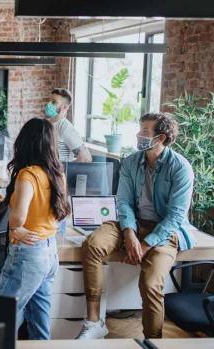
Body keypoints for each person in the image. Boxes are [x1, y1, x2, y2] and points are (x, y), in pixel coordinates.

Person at [76, 113, 195, 339]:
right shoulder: (131, 161)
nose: (138, 135)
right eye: (139, 130)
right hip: (132, 223)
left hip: (164, 232)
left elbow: (175, 217)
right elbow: (123, 202)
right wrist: (129, 233)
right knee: (92, 244)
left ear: (160, 138)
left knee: (151, 284)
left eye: (144, 132)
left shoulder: (181, 168)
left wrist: (145, 245)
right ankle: (94, 322)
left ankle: (153, 340)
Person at [0, 118, 71, 340]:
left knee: (0, 315)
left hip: (28, 255)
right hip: (49, 253)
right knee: (39, 321)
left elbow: (19, 218)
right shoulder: (57, 173)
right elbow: (45, 206)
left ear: (25, 142)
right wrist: (8, 198)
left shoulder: (27, 174)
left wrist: (15, 227)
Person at [45, 88, 92, 163]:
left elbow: (85, 158)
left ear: (65, 107)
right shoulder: (45, 124)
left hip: (58, 173)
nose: (49, 104)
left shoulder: (65, 127)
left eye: (54, 102)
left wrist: (65, 171)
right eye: (49, 100)